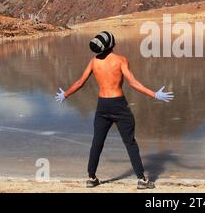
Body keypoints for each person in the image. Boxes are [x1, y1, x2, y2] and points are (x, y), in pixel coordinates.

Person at [54, 31, 174, 189]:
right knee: (130, 143)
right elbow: (133, 83)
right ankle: (142, 180)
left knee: (97, 142)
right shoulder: (121, 60)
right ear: (112, 44)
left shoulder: (94, 62)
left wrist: (66, 94)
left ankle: (91, 178)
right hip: (118, 105)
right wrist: (154, 94)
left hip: (102, 105)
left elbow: (80, 82)